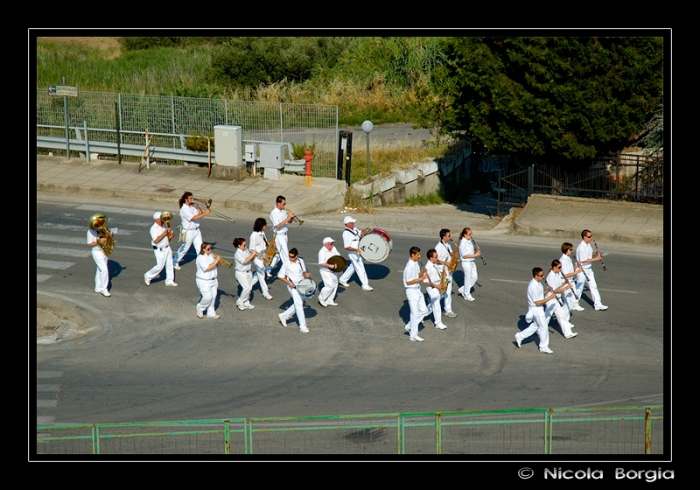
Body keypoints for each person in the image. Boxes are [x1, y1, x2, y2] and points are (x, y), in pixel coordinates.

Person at [514, 267, 558, 354]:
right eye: (541, 275)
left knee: (535, 326)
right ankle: (543, 346)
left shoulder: (538, 284)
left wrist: (547, 291)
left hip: (539, 308)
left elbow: (539, 294)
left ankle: (520, 336)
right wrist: (549, 298)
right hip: (536, 309)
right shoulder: (533, 287)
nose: (543, 277)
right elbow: (537, 302)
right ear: (536, 276)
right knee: (544, 326)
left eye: (543, 275)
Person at [173, 192, 211, 270]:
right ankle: (175, 261)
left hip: (196, 230)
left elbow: (200, 214)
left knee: (200, 247)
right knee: (185, 248)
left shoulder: (192, 207)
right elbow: (193, 218)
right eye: (190, 198)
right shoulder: (184, 209)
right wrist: (205, 214)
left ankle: (202, 262)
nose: (192, 199)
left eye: (192, 197)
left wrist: (198, 207)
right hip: (189, 231)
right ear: (186, 200)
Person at [277, 248, 312, 333]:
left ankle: (284, 315)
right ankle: (303, 326)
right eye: (289, 256)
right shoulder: (286, 264)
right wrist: (289, 282)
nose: (290, 258)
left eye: (292, 257)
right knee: (299, 304)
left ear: (297, 256)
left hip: (301, 284)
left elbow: (303, 272)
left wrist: (306, 274)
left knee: (298, 303)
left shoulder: (300, 261)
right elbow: (280, 276)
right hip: (292, 286)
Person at [575, 229, 608, 311]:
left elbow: (589, 254)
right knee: (579, 288)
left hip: (589, 269)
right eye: (589, 236)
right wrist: (596, 259)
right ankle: (574, 304)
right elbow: (583, 260)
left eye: (591, 236)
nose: (591, 238)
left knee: (594, 286)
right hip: (582, 270)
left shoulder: (588, 245)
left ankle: (598, 304)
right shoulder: (581, 247)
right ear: (584, 237)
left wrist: (595, 252)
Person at [338, 216, 373, 291]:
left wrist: (364, 230)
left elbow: (360, 233)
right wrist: (356, 249)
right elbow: (347, 247)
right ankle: (365, 285)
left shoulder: (354, 229)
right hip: (353, 253)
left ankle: (343, 279)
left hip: (357, 251)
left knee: (353, 266)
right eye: (351, 223)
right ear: (347, 224)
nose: (353, 223)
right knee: (360, 268)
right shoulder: (346, 233)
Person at [403, 246, 430, 341]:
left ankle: (410, 325)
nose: (419, 256)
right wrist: (421, 278)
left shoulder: (415, 264)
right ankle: (413, 335)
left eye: (419, 254)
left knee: (424, 310)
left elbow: (416, 275)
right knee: (414, 314)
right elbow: (408, 282)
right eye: (418, 254)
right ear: (412, 255)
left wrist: (421, 272)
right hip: (411, 291)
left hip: (418, 290)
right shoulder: (408, 267)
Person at [144, 211, 177, 287]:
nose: (163, 220)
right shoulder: (153, 229)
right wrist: (164, 233)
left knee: (169, 264)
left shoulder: (164, 226)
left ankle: (169, 280)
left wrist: (171, 235)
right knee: (160, 266)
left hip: (167, 248)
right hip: (159, 249)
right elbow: (156, 240)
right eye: (161, 218)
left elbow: (168, 239)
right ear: (157, 219)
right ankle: (148, 275)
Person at [545, 260, 577, 339]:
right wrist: (566, 288)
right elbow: (554, 290)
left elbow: (558, 285)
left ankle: (568, 333)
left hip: (556, 299)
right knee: (546, 318)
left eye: (561, 267)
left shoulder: (557, 274)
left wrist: (564, 283)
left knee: (562, 316)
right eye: (559, 267)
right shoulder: (550, 276)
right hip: (551, 299)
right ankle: (538, 330)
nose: (560, 269)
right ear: (554, 267)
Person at [433, 229, 458, 317]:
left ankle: (448, 309)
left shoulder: (447, 244)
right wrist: (446, 263)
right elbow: (436, 260)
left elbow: (450, 252)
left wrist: (453, 255)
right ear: (444, 237)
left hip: (448, 269)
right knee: (444, 291)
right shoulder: (438, 247)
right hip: (442, 270)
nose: (450, 237)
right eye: (449, 236)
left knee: (448, 290)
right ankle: (433, 304)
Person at [195, 241, 222, 319]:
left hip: (213, 280)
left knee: (213, 297)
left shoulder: (211, 255)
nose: (210, 250)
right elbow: (207, 268)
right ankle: (200, 308)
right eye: (208, 249)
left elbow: (218, 265)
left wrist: (218, 261)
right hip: (204, 280)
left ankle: (211, 313)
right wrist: (216, 260)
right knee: (207, 297)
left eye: (210, 248)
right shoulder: (200, 258)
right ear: (203, 249)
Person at [248, 218, 274, 300]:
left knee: (258, 274)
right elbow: (252, 250)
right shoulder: (254, 236)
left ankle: (248, 287)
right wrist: (263, 256)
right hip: (257, 257)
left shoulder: (262, 233)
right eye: (265, 225)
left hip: (262, 255)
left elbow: (264, 244)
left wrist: (269, 244)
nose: (266, 226)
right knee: (262, 275)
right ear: (261, 226)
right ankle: (265, 293)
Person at [269, 195, 295, 271]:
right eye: (283, 204)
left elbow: (288, 222)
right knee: (286, 254)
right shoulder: (273, 213)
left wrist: (291, 217)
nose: (284, 205)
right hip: (279, 236)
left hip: (285, 235)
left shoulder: (283, 210)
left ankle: (268, 268)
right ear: (278, 203)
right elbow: (277, 226)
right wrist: (288, 218)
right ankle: (288, 270)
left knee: (280, 255)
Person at [424, 249, 448, 330]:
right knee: (436, 305)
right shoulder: (427, 267)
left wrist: (442, 274)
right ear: (430, 258)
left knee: (432, 305)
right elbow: (425, 281)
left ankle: (419, 316)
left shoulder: (434, 264)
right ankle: (438, 323)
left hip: (438, 285)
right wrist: (436, 286)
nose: (437, 258)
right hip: (432, 287)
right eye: (435, 257)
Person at [233, 237, 259, 311]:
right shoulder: (237, 254)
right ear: (239, 245)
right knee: (246, 288)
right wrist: (252, 254)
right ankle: (240, 301)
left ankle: (246, 302)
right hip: (241, 273)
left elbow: (251, 259)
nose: (246, 246)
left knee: (249, 288)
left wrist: (255, 255)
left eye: (246, 245)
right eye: (244, 245)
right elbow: (244, 261)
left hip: (248, 272)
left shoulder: (246, 250)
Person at [559, 242, 584, 312]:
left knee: (574, 296)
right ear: (566, 250)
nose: (572, 251)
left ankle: (575, 306)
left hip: (571, 280)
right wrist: (577, 272)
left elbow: (569, 270)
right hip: (566, 282)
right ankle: (563, 313)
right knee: (568, 299)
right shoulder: (563, 260)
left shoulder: (568, 258)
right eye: (570, 250)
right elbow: (565, 274)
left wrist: (575, 267)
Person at [457, 227, 481, 301]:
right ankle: (467, 294)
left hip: (471, 261)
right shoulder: (462, 243)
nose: (471, 235)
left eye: (471, 234)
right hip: (466, 262)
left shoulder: (469, 241)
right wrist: (475, 255)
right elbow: (464, 255)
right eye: (469, 234)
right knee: (468, 278)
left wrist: (475, 249)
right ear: (464, 235)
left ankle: (463, 289)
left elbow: (469, 250)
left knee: (475, 277)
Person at [87, 224, 111, 297]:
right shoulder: (90, 231)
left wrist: (109, 236)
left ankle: (98, 287)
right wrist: (99, 241)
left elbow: (107, 238)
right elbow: (89, 244)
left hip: (104, 251)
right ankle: (104, 289)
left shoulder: (103, 229)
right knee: (104, 270)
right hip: (97, 252)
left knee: (99, 269)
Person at [317, 237, 341, 307]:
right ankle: (321, 298)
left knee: (335, 284)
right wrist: (330, 266)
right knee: (329, 285)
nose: (333, 244)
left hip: (333, 270)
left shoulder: (333, 248)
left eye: (333, 243)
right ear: (326, 244)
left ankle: (330, 300)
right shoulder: (322, 252)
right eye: (331, 243)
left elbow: (338, 255)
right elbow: (321, 263)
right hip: (325, 271)